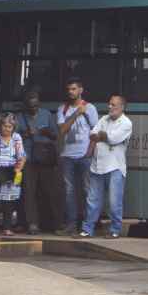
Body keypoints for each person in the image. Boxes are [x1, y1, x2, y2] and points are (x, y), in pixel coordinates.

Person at [79, 95, 131, 239]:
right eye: (109, 104)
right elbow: (92, 134)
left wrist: (102, 136)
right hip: (97, 165)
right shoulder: (103, 119)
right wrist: (101, 136)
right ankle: (87, 229)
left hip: (115, 167)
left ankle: (115, 230)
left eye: (114, 105)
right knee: (92, 200)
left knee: (114, 202)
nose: (110, 107)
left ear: (122, 107)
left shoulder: (126, 123)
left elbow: (113, 138)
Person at [57, 78, 99, 235]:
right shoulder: (63, 108)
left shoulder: (91, 108)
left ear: (81, 90)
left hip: (85, 155)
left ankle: (88, 226)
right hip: (67, 155)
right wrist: (76, 113)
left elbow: (95, 132)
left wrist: (90, 151)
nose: (71, 92)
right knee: (69, 191)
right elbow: (62, 130)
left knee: (88, 190)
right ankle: (71, 224)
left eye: (74, 89)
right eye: (69, 89)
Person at [15, 90, 61, 234]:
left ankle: (52, 223)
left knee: (49, 191)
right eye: (30, 106)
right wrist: (28, 133)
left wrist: (43, 132)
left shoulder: (46, 114)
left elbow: (55, 135)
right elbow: (14, 137)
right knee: (29, 192)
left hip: (45, 158)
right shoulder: (20, 117)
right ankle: (32, 223)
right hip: (27, 158)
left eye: (35, 106)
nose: (33, 109)